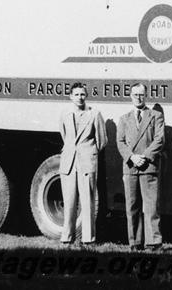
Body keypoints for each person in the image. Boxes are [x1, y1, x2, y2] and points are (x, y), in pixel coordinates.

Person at [116, 83, 165, 250]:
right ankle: (135, 242)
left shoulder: (156, 116)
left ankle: (153, 242)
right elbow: (120, 142)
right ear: (130, 96)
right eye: (135, 94)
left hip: (148, 166)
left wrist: (145, 157)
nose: (138, 97)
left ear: (146, 96)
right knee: (132, 206)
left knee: (151, 207)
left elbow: (159, 139)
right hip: (130, 167)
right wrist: (132, 157)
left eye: (141, 94)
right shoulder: (124, 118)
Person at [59, 82, 107, 245]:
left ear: (86, 96)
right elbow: (65, 136)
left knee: (88, 202)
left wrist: (88, 152)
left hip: (87, 163)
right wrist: (73, 151)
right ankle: (67, 238)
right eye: (77, 94)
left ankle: (88, 239)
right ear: (71, 96)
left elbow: (102, 141)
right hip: (69, 163)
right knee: (69, 201)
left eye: (82, 94)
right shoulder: (65, 114)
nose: (80, 97)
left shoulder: (94, 114)